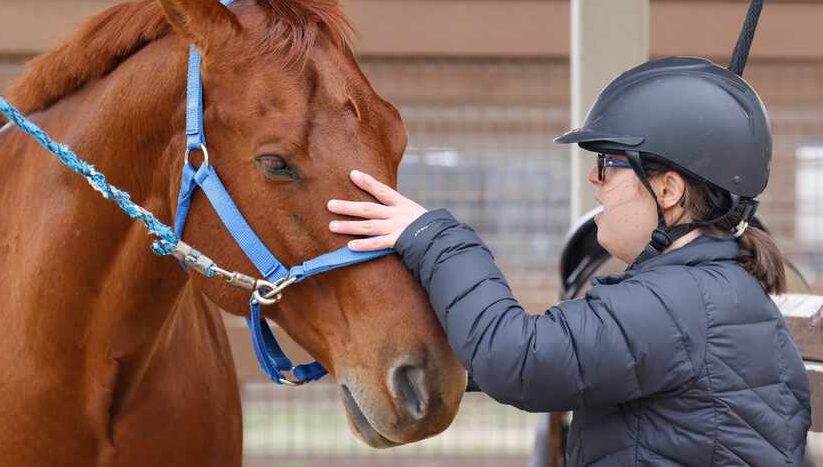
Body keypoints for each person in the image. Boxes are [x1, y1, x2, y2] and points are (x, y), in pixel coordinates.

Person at [327, 56, 811, 466]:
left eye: (608, 164)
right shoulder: (708, 295)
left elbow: (516, 359)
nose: (594, 181)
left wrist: (434, 237)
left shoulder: (679, 305)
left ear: (668, 189)